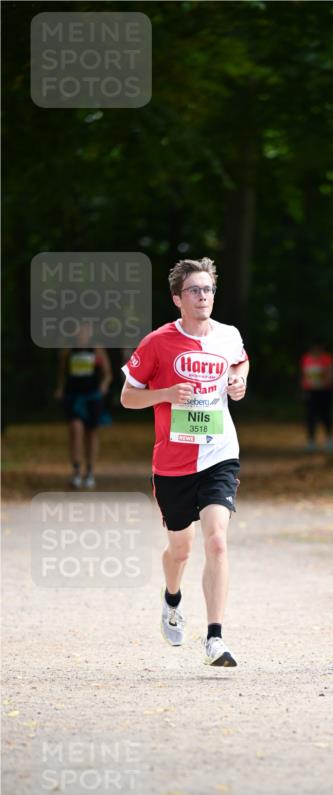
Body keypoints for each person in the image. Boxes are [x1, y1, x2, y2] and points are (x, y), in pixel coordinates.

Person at [120, 257, 249, 667]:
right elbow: (127, 396)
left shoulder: (228, 336)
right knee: (181, 549)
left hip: (219, 453)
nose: (203, 297)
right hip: (173, 463)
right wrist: (164, 395)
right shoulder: (158, 342)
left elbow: (240, 360)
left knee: (216, 540)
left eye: (208, 289)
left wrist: (239, 379)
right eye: (194, 290)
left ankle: (215, 638)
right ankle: (172, 599)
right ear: (177, 298)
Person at [54, 323, 112, 488]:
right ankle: (76, 471)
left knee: (91, 433)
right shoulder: (68, 350)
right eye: (80, 330)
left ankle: (90, 472)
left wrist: (103, 386)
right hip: (74, 396)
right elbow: (62, 373)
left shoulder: (97, 349)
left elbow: (107, 374)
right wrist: (60, 389)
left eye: (86, 330)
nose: (82, 333)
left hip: (92, 396)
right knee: (75, 428)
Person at [300, 343, 333, 451]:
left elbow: (330, 374)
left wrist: (326, 383)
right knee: (310, 416)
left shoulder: (327, 359)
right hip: (311, 391)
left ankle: (330, 439)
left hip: (324, 391)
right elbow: (304, 374)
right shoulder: (306, 358)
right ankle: (311, 441)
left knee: (325, 415)